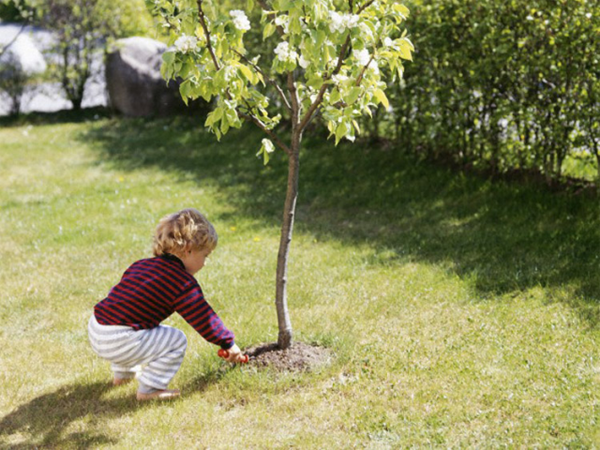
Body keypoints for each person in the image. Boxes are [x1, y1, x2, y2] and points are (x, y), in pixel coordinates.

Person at [88, 208, 245, 401]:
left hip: (97, 328)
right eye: (205, 255)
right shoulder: (180, 282)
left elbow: (123, 300)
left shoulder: (142, 264)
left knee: (136, 321)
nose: (205, 262)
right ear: (188, 250)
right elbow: (202, 316)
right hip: (118, 341)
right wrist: (227, 342)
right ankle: (149, 390)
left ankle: (123, 375)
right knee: (175, 339)